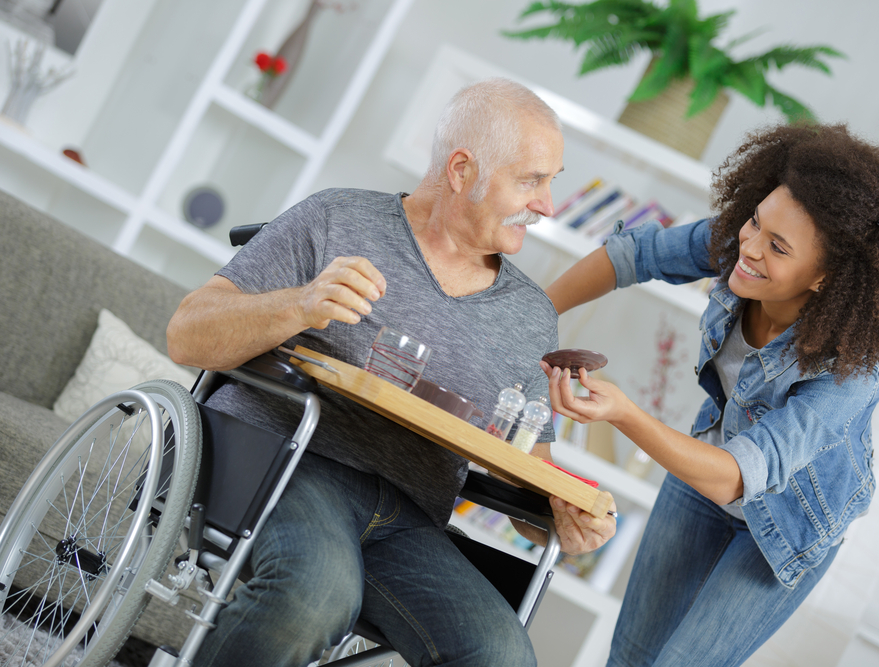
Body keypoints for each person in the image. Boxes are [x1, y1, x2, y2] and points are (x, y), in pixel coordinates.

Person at [167, 77, 616, 667]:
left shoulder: (530, 317)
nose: (548, 206)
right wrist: (299, 305)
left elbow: (527, 467)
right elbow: (186, 332)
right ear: (461, 170)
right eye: (532, 180)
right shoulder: (336, 219)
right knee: (315, 595)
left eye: (552, 182)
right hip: (286, 461)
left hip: (407, 518)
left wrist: (565, 514)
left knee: (501, 655)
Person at [542, 123, 879, 667]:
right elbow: (632, 255)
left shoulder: (851, 375)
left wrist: (622, 412)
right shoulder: (745, 246)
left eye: (778, 247)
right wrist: (533, 315)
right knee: (630, 658)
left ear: (826, 278)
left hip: (784, 523)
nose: (750, 248)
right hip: (703, 477)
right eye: (755, 221)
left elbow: (739, 475)